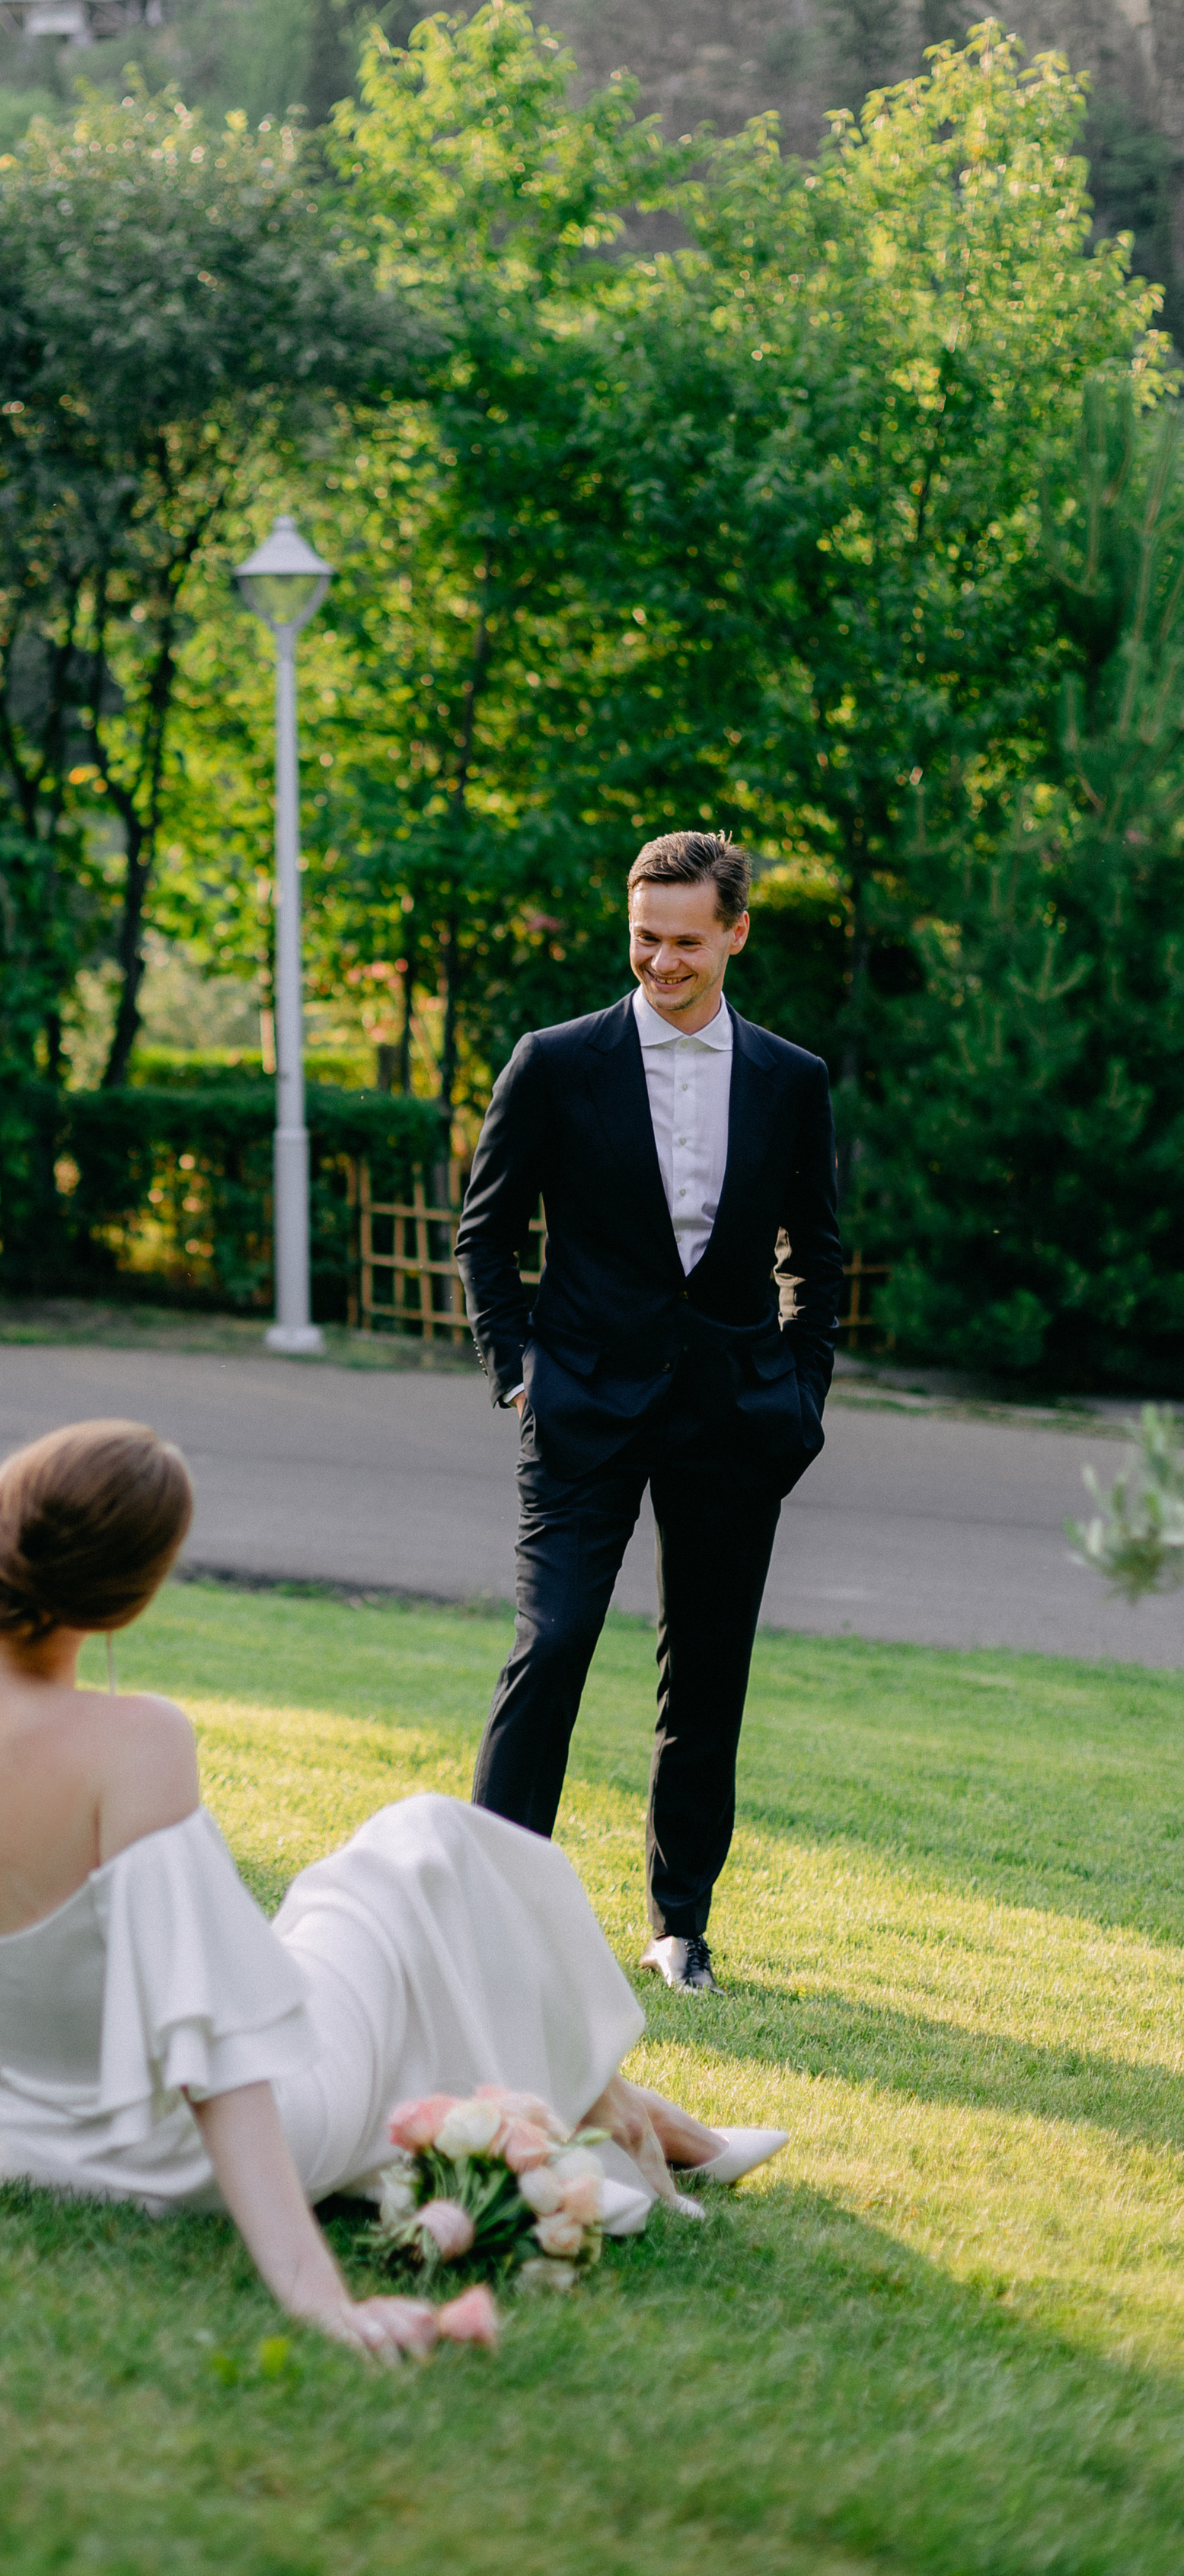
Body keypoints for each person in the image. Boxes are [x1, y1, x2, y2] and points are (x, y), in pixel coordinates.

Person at [0, 1418, 784, 2359]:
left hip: (32, 2131)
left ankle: (628, 2106)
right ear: (133, 1599)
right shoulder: (135, 1743)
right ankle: (637, 2114)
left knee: (351, 1903)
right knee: (424, 1845)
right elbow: (216, 2054)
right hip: (182, 2149)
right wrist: (315, 2296)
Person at [455, 831, 842, 1995]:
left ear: (735, 933)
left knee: (707, 1673)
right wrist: (516, 1365)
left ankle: (681, 1929)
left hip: (732, 1415)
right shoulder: (557, 1061)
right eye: (643, 939)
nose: (660, 963)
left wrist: (800, 1394)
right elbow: (487, 1230)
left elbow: (815, 1255)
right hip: (578, 1404)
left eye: (684, 942)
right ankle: (490, 1914)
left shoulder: (790, 1078)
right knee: (556, 1642)